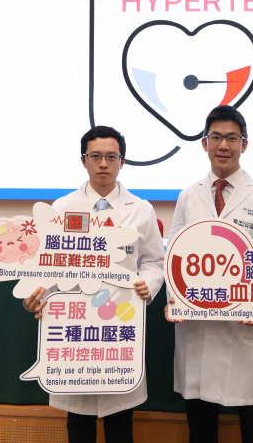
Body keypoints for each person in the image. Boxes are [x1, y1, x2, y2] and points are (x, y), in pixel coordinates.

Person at [23, 126, 165, 443]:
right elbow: (47, 266)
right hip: (75, 328)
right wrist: (39, 297)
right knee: (79, 423)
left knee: (120, 423)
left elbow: (155, 261)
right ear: (83, 160)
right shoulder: (61, 209)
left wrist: (148, 284)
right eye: (96, 156)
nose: (103, 164)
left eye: (111, 157)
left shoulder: (141, 209)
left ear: (122, 162)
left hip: (119, 324)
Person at [165, 105, 253, 443]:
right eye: (216, 137)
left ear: (244, 144)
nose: (223, 145)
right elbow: (174, 253)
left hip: (243, 325)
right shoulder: (188, 196)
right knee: (200, 424)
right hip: (197, 323)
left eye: (232, 138)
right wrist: (174, 299)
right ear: (204, 143)